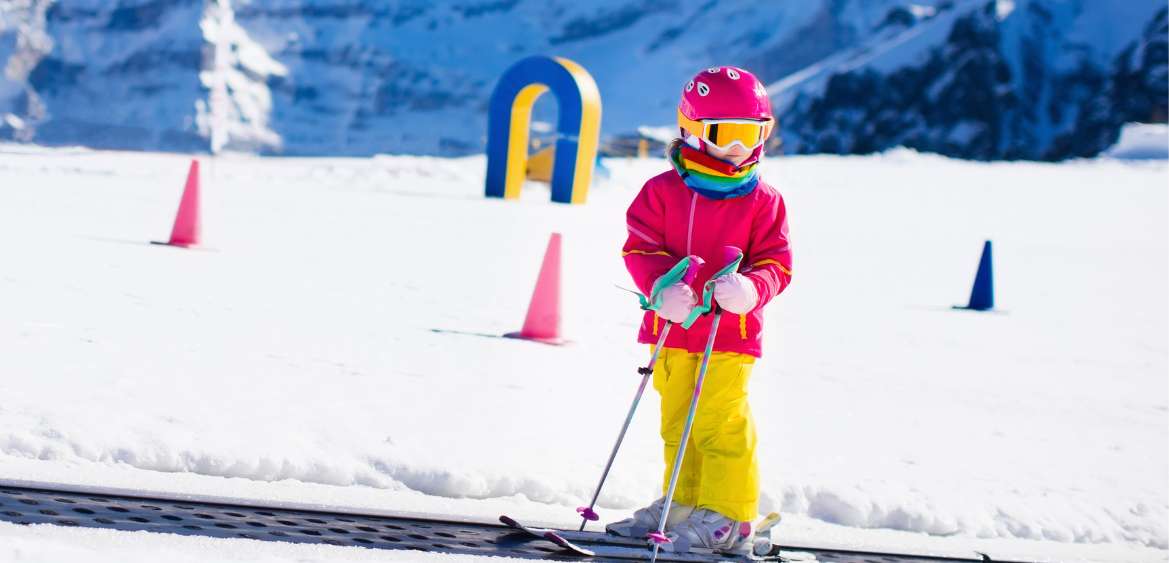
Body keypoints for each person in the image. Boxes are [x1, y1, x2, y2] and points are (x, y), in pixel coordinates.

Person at [609, 66, 793, 553]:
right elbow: (640, 248)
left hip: (729, 334)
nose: (740, 148)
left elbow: (777, 263)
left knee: (718, 421)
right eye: (727, 134)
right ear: (691, 130)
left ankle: (730, 516)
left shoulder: (763, 201)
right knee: (678, 423)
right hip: (671, 330)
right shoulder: (662, 192)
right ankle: (684, 506)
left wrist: (752, 289)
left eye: (753, 134)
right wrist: (661, 288)